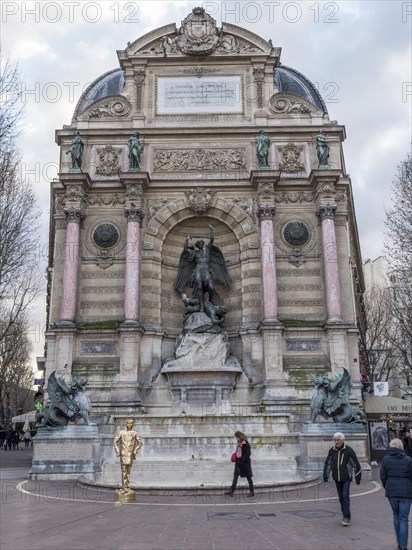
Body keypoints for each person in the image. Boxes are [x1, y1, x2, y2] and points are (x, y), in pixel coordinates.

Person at [323, 431, 362, 526]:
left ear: (342, 440)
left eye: (338, 440)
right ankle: (345, 514)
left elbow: (356, 465)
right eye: (335, 440)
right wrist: (326, 476)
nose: (336, 442)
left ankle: (346, 517)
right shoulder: (332, 451)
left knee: (345, 496)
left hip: (346, 478)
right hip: (337, 477)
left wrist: (358, 477)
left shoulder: (349, 450)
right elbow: (328, 464)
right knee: (341, 498)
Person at [380, 438, 412, 550]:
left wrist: (387, 486)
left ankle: (399, 542)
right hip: (406, 492)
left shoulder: (385, 459)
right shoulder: (408, 460)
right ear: (401, 447)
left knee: (396, 516)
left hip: (392, 492)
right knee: (404, 518)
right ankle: (403, 546)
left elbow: (383, 476)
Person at [113, 418, 142, 494]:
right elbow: (115, 441)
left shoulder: (135, 433)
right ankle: (124, 487)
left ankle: (126, 486)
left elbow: (140, 443)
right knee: (123, 471)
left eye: (131, 423)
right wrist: (117, 450)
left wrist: (135, 450)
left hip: (130, 454)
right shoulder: (121, 433)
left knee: (128, 471)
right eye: (128, 423)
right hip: (123, 454)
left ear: (133, 424)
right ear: (126, 424)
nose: (129, 425)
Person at [225, 431, 255, 497]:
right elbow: (238, 452)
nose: (236, 438)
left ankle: (252, 492)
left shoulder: (245, 443)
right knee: (235, 477)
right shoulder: (239, 443)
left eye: (236, 437)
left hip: (244, 464)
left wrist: (242, 460)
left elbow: (248, 454)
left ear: (239, 436)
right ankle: (231, 491)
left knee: (248, 478)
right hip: (238, 463)